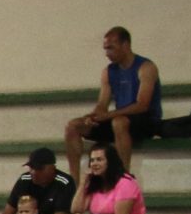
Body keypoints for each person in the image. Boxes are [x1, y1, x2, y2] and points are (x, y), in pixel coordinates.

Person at [65, 24, 172, 171]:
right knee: (74, 126)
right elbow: (102, 104)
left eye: (111, 48)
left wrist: (108, 115)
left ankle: (123, 177)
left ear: (125, 45)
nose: (107, 53)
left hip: (146, 121)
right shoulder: (108, 72)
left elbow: (142, 105)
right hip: (120, 120)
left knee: (119, 122)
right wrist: (93, 117)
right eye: (105, 48)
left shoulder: (146, 67)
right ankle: (74, 182)